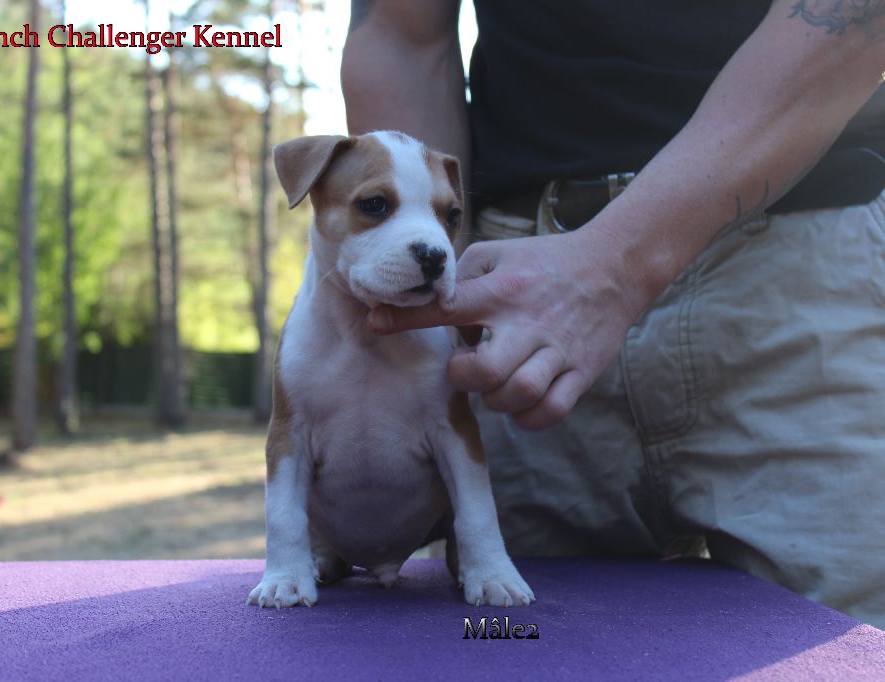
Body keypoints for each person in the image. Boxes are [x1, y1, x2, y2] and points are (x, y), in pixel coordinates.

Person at [341, 0, 885, 627]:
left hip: (802, 270)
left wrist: (613, 267)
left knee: (848, 652)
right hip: (519, 295)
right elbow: (402, 36)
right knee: (516, 651)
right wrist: (436, 284)